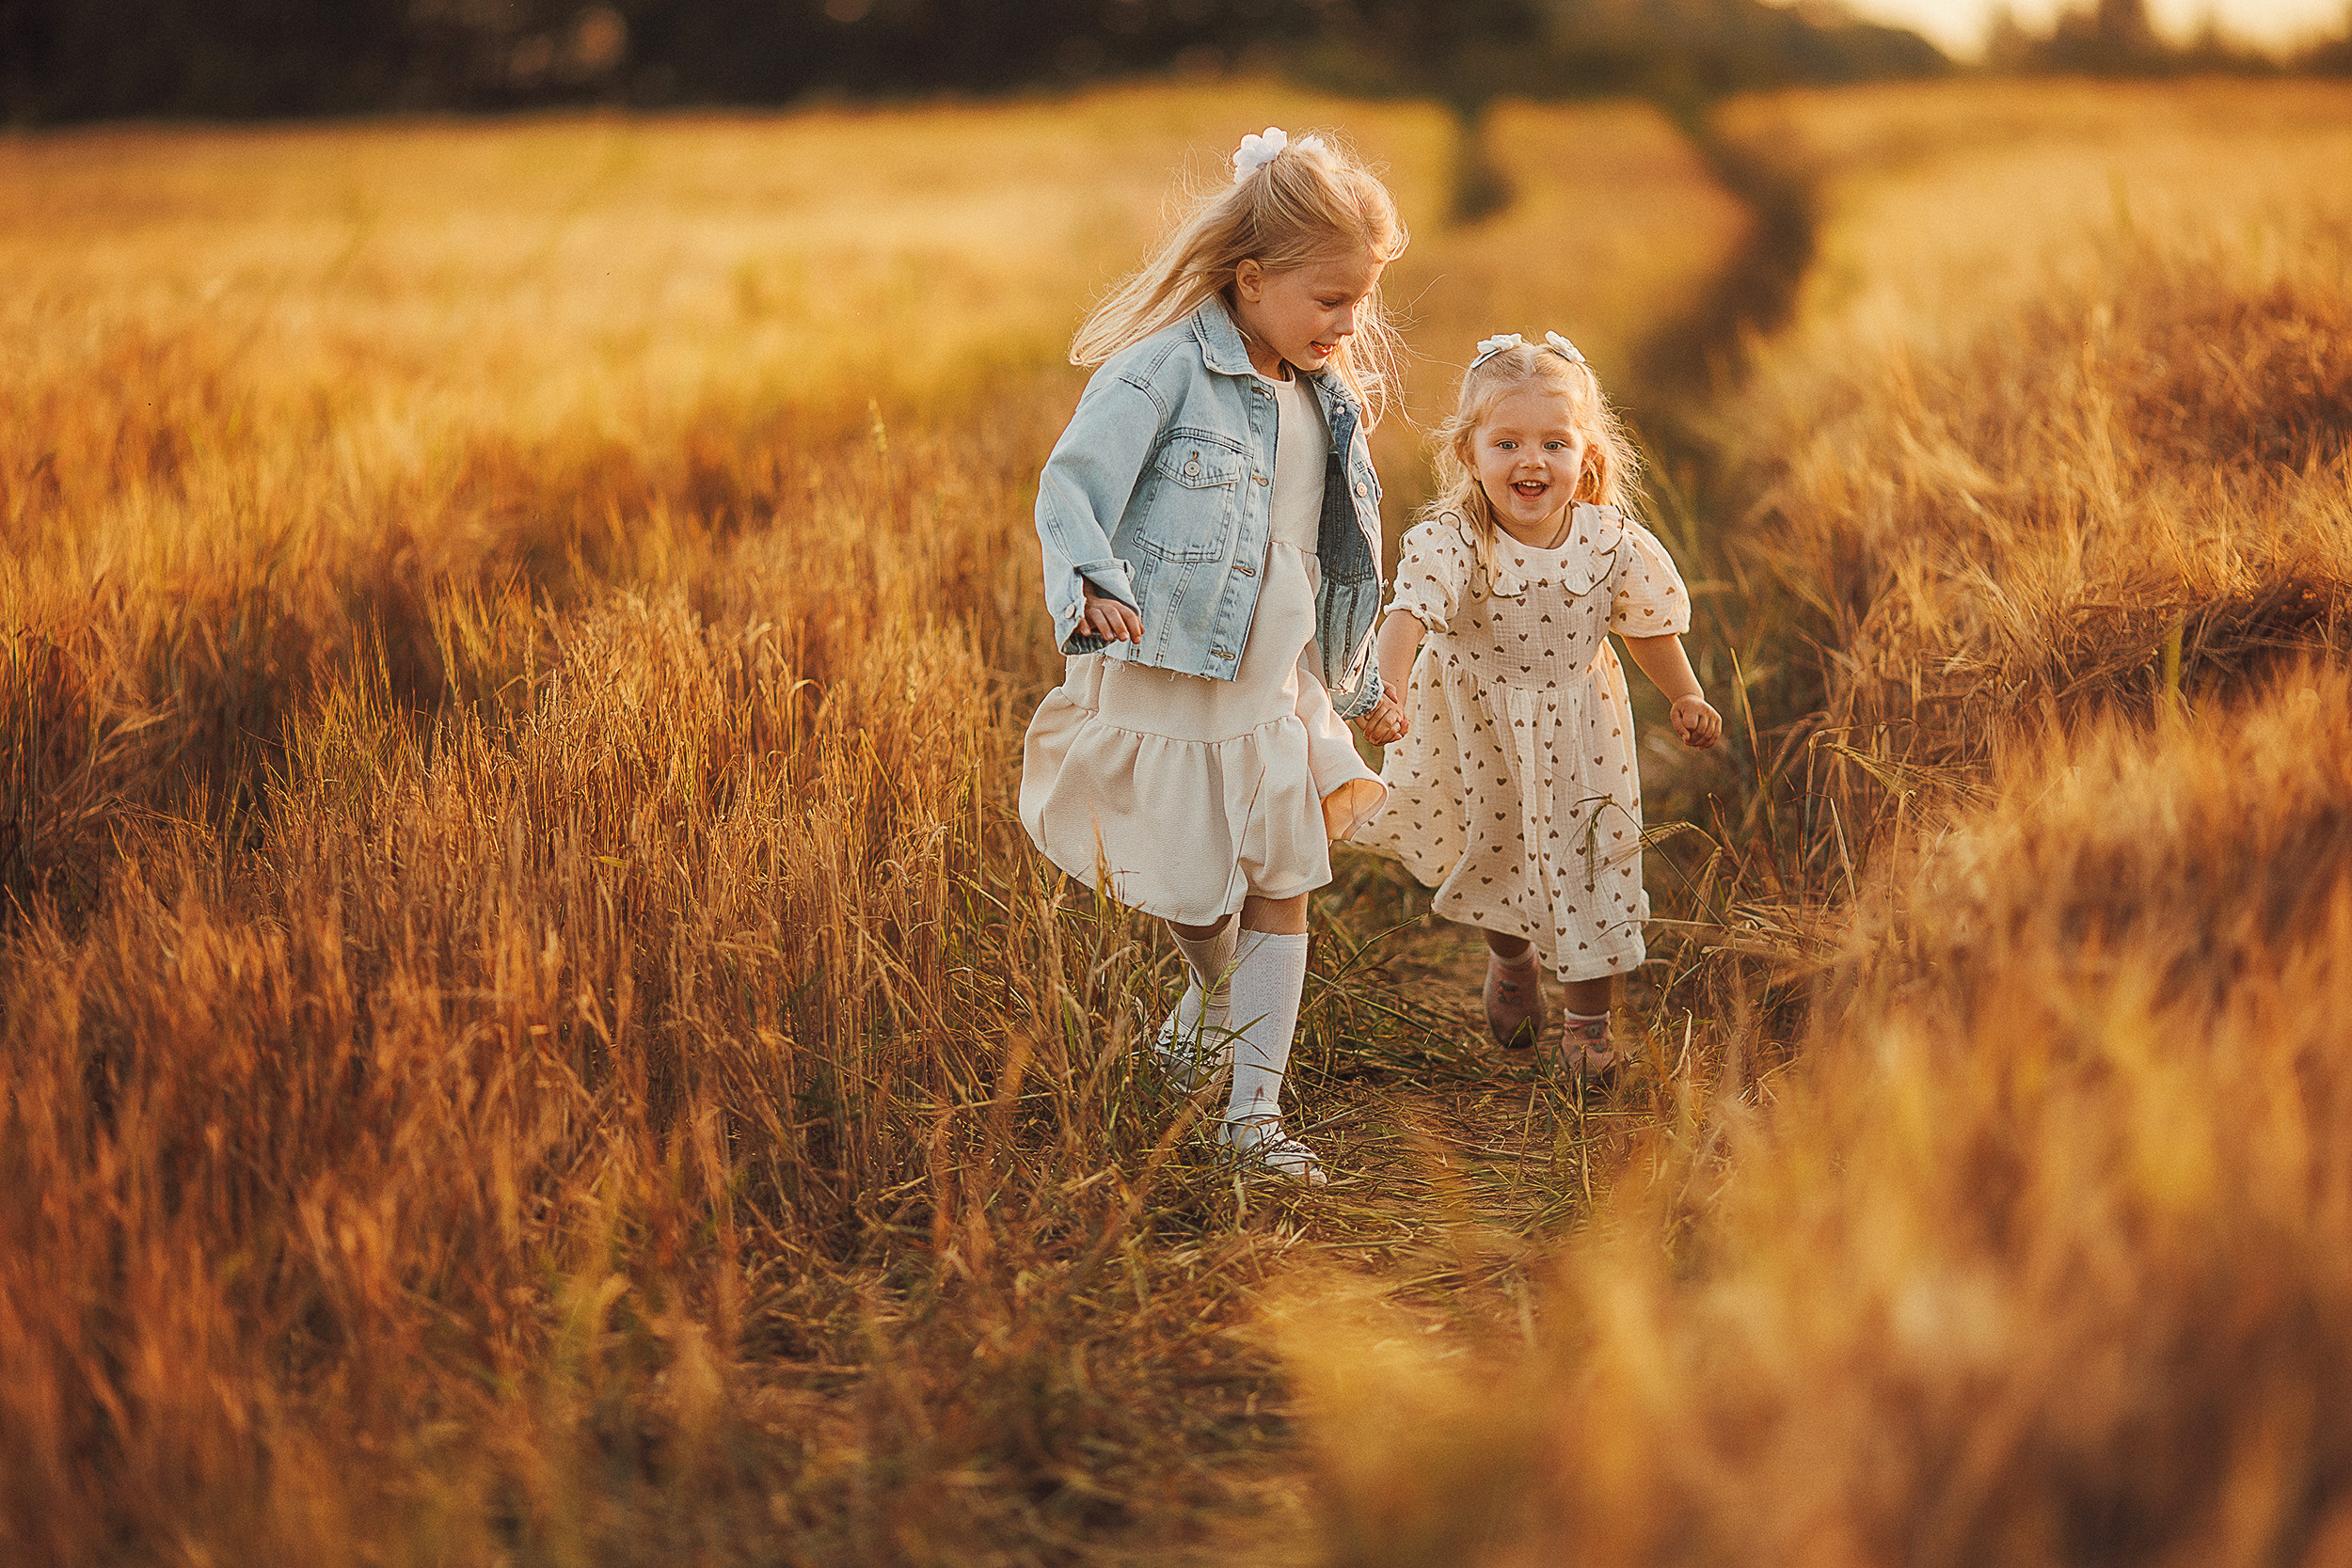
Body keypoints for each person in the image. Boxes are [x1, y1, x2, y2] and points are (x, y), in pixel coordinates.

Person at [1019, 127, 1412, 1186]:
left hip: (1274, 677)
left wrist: (1357, 679)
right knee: (1199, 896)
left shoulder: (1328, 396)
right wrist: (1093, 587)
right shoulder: (1162, 371)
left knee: (1281, 875)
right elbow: (1072, 486)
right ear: (1251, 278)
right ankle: (1207, 1005)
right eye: (1330, 298)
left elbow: (1340, 553)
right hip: (1174, 660)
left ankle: (1252, 1113)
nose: (1349, 322)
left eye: (1360, 300)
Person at [1357, 332, 1722, 1080]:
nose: (1532, 461)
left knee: (1594, 867)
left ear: (1586, 456)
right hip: (1479, 735)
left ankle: (1588, 1028)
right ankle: (1513, 958)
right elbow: (1410, 614)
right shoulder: (1454, 540)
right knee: (1499, 856)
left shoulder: (1609, 542)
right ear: (1471, 453)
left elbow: (1646, 626)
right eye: (1508, 442)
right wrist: (1386, 689)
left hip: (1583, 735)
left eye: (1555, 442)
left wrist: (1684, 693)